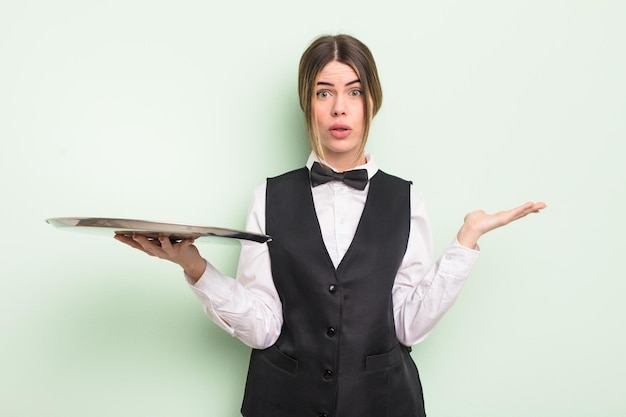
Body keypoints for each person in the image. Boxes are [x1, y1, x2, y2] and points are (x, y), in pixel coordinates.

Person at [115, 34, 546, 417]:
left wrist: (466, 240)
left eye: (354, 92)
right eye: (324, 93)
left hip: (384, 403)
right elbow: (263, 326)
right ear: (308, 103)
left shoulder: (405, 198)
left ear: (371, 102)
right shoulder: (269, 195)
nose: (339, 107)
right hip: (281, 402)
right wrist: (195, 267)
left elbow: (408, 326)